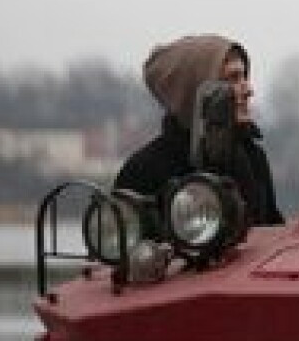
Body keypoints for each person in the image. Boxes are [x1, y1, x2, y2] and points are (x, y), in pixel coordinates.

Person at [115, 34, 284, 226]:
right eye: (233, 78)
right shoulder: (142, 172)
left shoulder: (254, 158)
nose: (248, 90)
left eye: (244, 76)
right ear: (195, 90)